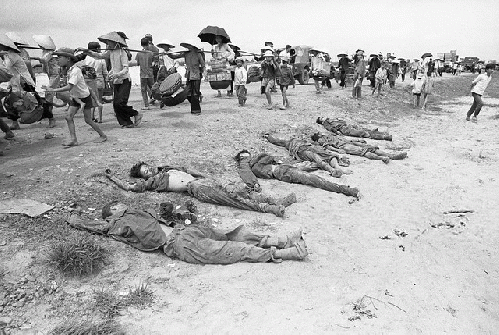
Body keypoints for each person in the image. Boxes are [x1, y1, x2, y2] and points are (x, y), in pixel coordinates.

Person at [68, 201, 307, 264]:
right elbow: (91, 225)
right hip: (178, 243)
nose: (120, 205)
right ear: (111, 213)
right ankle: (287, 252)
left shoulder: (136, 213)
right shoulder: (114, 224)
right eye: (115, 206)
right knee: (231, 248)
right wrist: (73, 217)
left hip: (185, 232)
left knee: (232, 234)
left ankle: (282, 240)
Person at [103, 161, 297, 217]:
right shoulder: (154, 182)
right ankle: (271, 209)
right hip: (195, 188)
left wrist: (203, 176)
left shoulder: (167, 168)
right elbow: (129, 187)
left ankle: (275, 201)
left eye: (148, 167)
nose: (149, 171)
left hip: (203, 181)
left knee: (240, 190)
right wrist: (112, 177)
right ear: (145, 177)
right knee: (232, 200)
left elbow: (187, 169)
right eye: (145, 172)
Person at [43, 48, 107, 147]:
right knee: (68, 117)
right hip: (76, 97)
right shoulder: (69, 70)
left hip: (84, 97)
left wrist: (53, 90)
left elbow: (69, 86)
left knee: (88, 120)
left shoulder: (75, 70)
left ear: (68, 59)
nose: (57, 60)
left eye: (60, 57)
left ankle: (103, 135)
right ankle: (74, 140)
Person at [235, 150, 360, 198]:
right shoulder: (246, 162)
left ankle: (335, 166)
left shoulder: (253, 161)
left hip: (284, 168)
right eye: (246, 154)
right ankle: (346, 190)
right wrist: (254, 184)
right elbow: (246, 172)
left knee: (313, 167)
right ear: (242, 156)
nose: (249, 154)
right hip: (283, 172)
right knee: (314, 179)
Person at [82, 33, 142, 128]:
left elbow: (126, 69)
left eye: (109, 42)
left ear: (115, 42)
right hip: (116, 81)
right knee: (116, 104)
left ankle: (135, 113)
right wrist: (87, 52)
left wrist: (116, 74)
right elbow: (99, 56)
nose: (108, 44)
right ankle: (127, 123)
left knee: (120, 103)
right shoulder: (110, 52)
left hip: (124, 80)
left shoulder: (122, 53)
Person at [264, 133, 351, 177]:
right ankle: (332, 170)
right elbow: (276, 141)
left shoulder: (302, 141)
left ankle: (337, 168)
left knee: (326, 154)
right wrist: (268, 137)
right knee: (316, 157)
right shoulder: (288, 143)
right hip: (301, 151)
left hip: (308, 148)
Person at [311, 132, 407, 163]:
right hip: (344, 146)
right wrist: (338, 150)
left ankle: (391, 155)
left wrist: (357, 141)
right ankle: (382, 158)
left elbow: (342, 137)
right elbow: (328, 147)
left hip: (347, 142)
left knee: (370, 147)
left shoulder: (327, 135)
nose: (320, 133)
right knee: (363, 152)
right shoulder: (320, 140)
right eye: (318, 134)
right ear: (317, 137)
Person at [177, 41, 205, 115]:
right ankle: (195, 108)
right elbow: (175, 56)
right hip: (189, 75)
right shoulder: (186, 54)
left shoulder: (198, 54)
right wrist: (167, 53)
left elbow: (203, 65)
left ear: (192, 46)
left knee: (195, 93)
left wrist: (202, 72)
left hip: (196, 75)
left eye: (188, 46)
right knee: (188, 93)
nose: (187, 47)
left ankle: (196, 110)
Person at [83, 42, 107, 123]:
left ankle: (92, 116)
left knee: (91, 100)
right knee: (99, 100)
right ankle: (99, 118)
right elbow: (105, 72)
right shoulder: (101, 59)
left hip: (89, 81)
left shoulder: (86, 58)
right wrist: (107, 81)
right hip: (99, 80)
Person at [317, 117, 393, 141]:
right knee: (364, 133)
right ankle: (385, 137)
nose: (323, 117)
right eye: (321, 118)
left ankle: (383, 133)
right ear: (321, 121)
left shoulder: (329, 120)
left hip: (347, 126)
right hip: (344, 129)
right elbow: (331, 128)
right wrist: (337, 132)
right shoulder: (326, 124)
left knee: (365, 130)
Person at [133, 38, 154, 110]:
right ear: (148, 44)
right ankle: (159, 100)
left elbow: (137, 63)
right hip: (150, 73)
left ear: (141, 44)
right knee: (153, 87)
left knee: (143, 89)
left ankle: (146, 105)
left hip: (143, 74)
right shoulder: (151, 53)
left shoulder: (139, 53)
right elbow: (153, 62)